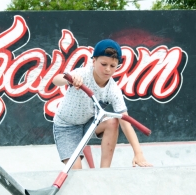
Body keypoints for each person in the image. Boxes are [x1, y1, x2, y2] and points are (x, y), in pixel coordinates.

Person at [52, 39, 153, 169]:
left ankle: (104, 172)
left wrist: (138, 153)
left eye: (112, 66)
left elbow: (125, 122)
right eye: (103, 64)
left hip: (89, 123)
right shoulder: (82, 74)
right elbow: (56, 80)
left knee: (113, 121)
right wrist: (69, 79)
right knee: (76, 173)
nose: (107, 70)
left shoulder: (113, 90)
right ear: (94, 61)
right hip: (66, 127)